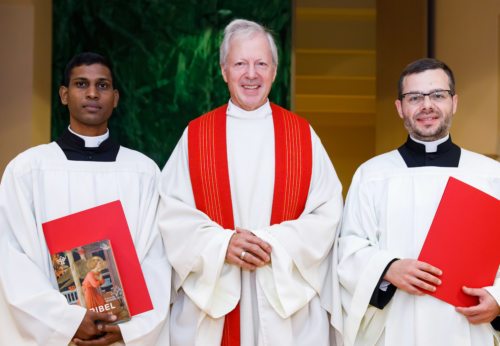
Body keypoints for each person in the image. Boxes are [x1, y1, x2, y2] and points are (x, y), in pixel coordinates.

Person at [158, 19, 343, 346]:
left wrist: (271, 243)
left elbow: (327, 215)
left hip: (285, 309)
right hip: (214, 309)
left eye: (261, 64)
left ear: (274, 70)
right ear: (224, 70)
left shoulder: (301, 135)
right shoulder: (197, 136)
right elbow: (172, 214)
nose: (251, 74)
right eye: (240, 64)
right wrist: (221, 246)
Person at [0, 52, 170, 346]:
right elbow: (11, 257)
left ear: (115, 97)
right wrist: (68, 322)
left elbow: (158, 260)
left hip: (122, 330)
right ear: (64, 94)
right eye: (81, 84)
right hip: (54, 333)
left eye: (102, 85)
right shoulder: (27, 169)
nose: (92, 93)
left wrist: (128, 330)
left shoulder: (144, 173)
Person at [337, 58, 500, 345]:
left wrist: (498, 299)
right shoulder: (373, 174)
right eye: (415, 97)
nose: (427, 105)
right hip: (395, 327)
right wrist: (387, 268)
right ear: (400, 107)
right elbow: (349, 248)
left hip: (466, 329)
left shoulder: (489, 174)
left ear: (454, 102)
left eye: (438, 95)